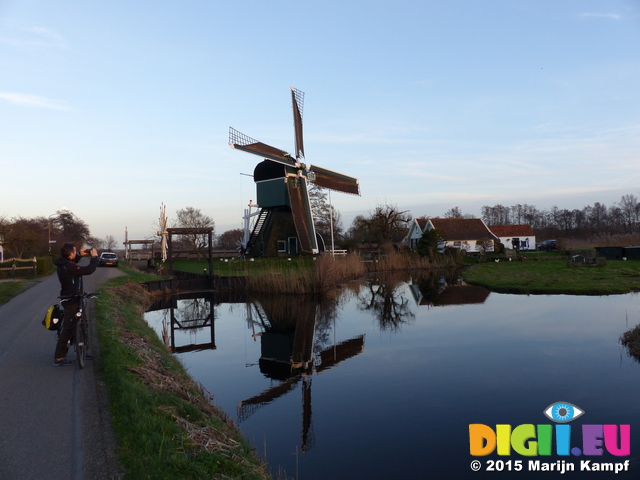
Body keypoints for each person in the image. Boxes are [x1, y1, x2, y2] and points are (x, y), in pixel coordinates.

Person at [52, 242, 98, 366]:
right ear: (70, 253)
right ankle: (58, 358)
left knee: (83, 324)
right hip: (71, 300)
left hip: (76, 298)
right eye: (75, 251)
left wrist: (79, 255)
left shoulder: (64, 264)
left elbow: (72, 264)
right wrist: (94, 258)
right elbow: (88, 270)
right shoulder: (68, 267)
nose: (76, 252)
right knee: (68, 329)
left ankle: (82, 349)